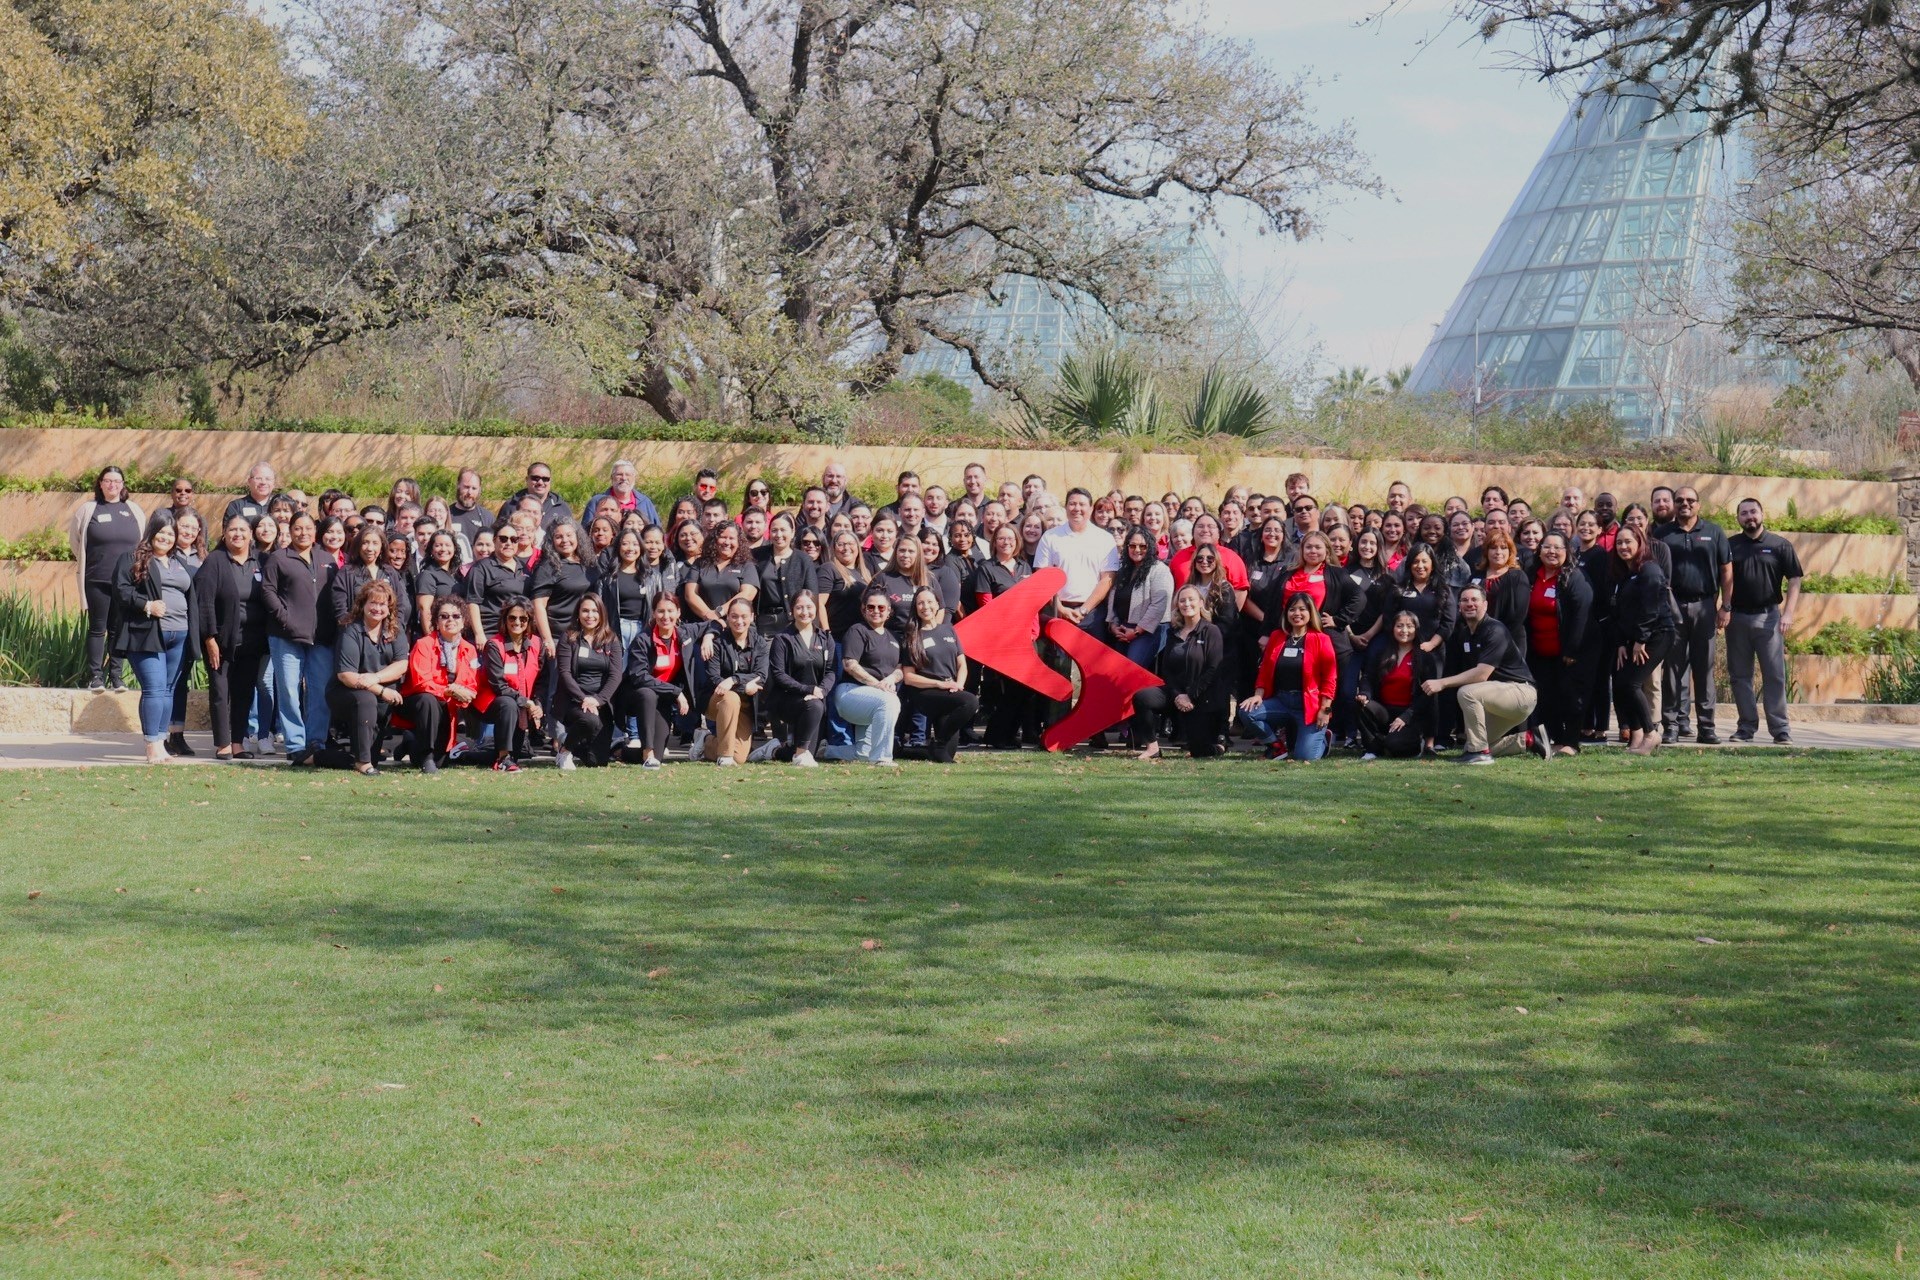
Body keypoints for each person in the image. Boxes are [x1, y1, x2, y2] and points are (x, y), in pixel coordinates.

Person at [1424, 584, 1543, 764]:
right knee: (1474, 742)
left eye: (1474, 600)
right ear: (1459, 606)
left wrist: (1442, 683)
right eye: (1464, 600)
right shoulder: (1465, 634)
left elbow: (1481, 675)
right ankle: (1528, 740)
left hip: (1520, 693)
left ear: (1485, 605)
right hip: (1496, 697)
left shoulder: (1495, 630)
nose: (1469, 604)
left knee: (1466, 692)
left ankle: (1480, 754)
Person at [1655, 485, 1734, 744]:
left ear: (1699, 505)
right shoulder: (1662, 533)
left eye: (1690, 500)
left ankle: (1707, 727)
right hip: (1672, 607)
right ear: (1675, 505)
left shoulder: (1714, 531)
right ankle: (1671, 726)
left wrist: (1726, 606)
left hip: (1705, 607)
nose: (1685, 504)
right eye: (1680, 501)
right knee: (1672, 670)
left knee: (1704, 669)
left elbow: (1726, 571)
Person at [113, 515, 194, 765]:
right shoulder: (133, 558)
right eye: (162, 533)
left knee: (168, 691)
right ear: (151, 532)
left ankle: (161, 741)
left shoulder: (178, 561)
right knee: (155, 689)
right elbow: (120, 590)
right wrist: (146, 605)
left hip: (179, 635)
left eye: (171, 534)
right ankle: (152, 744)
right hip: (147, 634)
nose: (166, 538)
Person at [260, 511, 338, 766]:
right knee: (290, 692)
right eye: (297, 528)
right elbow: (268, 591)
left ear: (315, 531)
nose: (303, 533)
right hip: (286, 636)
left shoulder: (327, 559)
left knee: (319, 691)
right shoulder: (278, 559)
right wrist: (285, 618)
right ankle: (295, 744)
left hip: (321, 638)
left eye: (307, 528)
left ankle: (316, 742)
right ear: (290, 531)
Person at [1725, 498, 1803, 745]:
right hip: (1736, 617)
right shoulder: (1730, 546)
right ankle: (1746, 727)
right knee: (1740, 676)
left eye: (1753, 512)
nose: (1750, 517)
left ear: (1762, 514)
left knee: (1775, 675)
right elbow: (1722, 578)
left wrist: (1788, 613)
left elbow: (1794, 579)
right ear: (1738, 518)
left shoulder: (1780, 545)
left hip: (1769, 617)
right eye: (1744, 513)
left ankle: (1780, 729)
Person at [194, 514, 270, 761]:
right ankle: (223, 743)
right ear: (224, 534)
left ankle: (238, 741)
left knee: (244, 692)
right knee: (220, 690)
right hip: (221, 641)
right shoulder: (215, 561)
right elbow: (203, 602)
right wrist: (209, 638)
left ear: (251, 534)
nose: (238, 534)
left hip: (252, 641)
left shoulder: (261, 561)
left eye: (242, 530)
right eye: (232, 530)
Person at [1130, 585, 1231, 760]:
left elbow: (1213, 669)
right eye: (1182, 600)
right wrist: (1177, 694)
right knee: (1143, 697)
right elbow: (1167, 670)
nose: (1186, 603)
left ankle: (1219, 747)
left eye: (1191, 599)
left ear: (1201, 603)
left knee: (1199, 751)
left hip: (1202, 698)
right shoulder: (1173, 632)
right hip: (1176, 695)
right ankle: (1152, 748)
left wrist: (1190, 696)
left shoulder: (1211, 631)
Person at [70, 466, 148, 691]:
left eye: (117, 481)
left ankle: (116, 676)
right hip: (97, 579)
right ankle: (95, 677)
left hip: (126, 582)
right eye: (108, 481)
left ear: (123, 485)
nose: (112, 485)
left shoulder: (133, 509)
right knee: (97, 628)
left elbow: (142, 541)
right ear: (100, 484)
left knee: (118, 628)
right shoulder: (88, 509)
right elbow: (76, 542)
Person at [1238, 592, 1337, 761]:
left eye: (1302, 609)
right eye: (1292, 609)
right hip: (1282, 701)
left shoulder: (1322, 639)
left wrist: (1325, 710)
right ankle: (1276, 747)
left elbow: (1330, 678)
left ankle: (1324, 738)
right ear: (1286, 613)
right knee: (1247, 712)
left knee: (1305, 757)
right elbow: (1265, 670)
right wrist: (1258, 695)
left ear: (1311, 612)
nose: (1296, 614)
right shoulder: (1277, 636)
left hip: (1309, 705)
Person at [328, 580, 410, 776]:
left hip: (379, 692)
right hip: (345, 693)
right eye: (373, 603)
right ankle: (363, 763)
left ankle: (317, 757)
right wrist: (381, 689)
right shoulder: (350, 630)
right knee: (366, 699)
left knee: (371, 757)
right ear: (362, 604)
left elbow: (401, 664)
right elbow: (346, 675)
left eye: (382, 604)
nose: (377, 608)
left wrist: (375, 678)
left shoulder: (394, 631)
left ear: (389, 608)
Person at [1608, 525, 1677, 757]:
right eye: (1619, 542)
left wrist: (1640, 640)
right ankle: (1636, 733)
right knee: (1620, 684)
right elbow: (1618, 612)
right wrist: (1620, 643)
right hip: (1631, 638)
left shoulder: (1650, 570)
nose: (1623, 546)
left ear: (1640, 543)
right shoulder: (1624, 574)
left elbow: (1651, 608)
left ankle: (1651, 733)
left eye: (1628, 541)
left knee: (1632, 683)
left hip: (1657, 635)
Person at [1525, 533, 1594, 758]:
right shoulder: (1531, 575)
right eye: (1547, 547)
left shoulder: (1575, 577)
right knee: (1546, 697)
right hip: (1540, 651)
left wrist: (1572, 649)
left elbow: (1581, 615)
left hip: (1569, 652)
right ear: (1539, 550)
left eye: (1558, 548)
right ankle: (1554, 739)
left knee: (1571, 697)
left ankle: (1571, 742)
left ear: (1567, 551)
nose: (1552, 552)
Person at [401, 596, 481, 773]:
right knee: (428, 700)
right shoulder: (423, 644)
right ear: (436, 621)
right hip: (419, 703)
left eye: (455, 616)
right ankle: (426, 756)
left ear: (463, 621)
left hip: (448, 706)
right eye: (444, 616)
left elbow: (471, 684)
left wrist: (466, 695)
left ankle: (410, 742)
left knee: (442, 761)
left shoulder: (470, 649)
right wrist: (449, 691)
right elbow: (421, 682)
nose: (450, 620)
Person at [621, 593, 700, 770]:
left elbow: (712, 625)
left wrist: (710, 636)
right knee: (647, 693)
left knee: (659, 756)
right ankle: (647, 753)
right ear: (654, 613)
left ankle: (623, 752)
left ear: (679, 613)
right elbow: (639, 676)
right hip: (637, 697)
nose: (666, 616)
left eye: (670, 611)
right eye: (661, 611)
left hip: (662, 700)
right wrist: (676, 692)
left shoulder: (684, 634)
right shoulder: (643, 639)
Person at [826, 590, 904, 766]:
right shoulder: (857, 631)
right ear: (863, 610)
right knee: (890, 702)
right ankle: (882, 758)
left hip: (876, 696)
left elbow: (900, 669)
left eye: (881, 607)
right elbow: (850, 665)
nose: (876, 611)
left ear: (889, 611)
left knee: (862, 755)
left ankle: (830, 751)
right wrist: (877, 685)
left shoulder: (895, 637)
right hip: (851, 692)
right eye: (871, 607)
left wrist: (890, 680)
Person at [900, 587, 978, 763]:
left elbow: (962, 664)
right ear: (915, 607)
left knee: (945, 757)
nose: (925, 606)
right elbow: (909, 677)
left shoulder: (949, 630)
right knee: (971, 701)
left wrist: (959, 684)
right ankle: (940, 743)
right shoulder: (912, 636)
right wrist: (939, 685)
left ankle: (913, 751)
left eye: (929, 602)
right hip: (926, 693)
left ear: (937, 605)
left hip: (950, 691)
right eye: (920, 603)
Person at [553, 593, 625, 769]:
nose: (590, 615)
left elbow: (616, 675)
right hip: (574, 701)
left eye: (594, 611)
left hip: (600, 703)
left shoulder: (611, 639)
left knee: (597, 761)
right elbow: (564, 673)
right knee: (590, 720)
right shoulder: (568, 637)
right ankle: (564, 752)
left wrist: (598, 700)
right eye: (585, 611)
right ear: (578, 613)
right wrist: (583, 698)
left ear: (602, 614)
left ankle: (567, 740)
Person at [696, 596, 769, 765]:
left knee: (740, 757)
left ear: (752, 617)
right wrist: (743, 686)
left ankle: (706, 741)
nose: (739, 621)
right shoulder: (717, 643)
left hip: (745, 704)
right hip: (717, 699)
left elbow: (761, 675)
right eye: (734, 616)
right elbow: (715, 679)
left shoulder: (760, 644)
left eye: (744, 616)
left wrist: (733, 679)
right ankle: (725, 757)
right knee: (731, 698)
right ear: (727, 617)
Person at [764, 591, 835, 766]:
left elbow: (831, 671)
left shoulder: (825, 638)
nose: (805, 612)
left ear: (816, 609)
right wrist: (809, 690)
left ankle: (773, 750)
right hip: (787, 700)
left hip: (815, 700)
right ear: (792, 611)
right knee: (814, 706)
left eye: (809, 607)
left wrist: (822, 690)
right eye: (799, 607)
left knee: (806, 749)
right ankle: (800, 755)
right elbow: (779, 674)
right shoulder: (782, 639)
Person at [1355, 610, 1435, 759]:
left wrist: (1406, 716)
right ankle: (1373, 749)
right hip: (1384, 711)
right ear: (1392, 628)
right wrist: (1365, 693)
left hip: (1410, 715)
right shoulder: (1381, 653)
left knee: (1395, 746)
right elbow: (1368, 676)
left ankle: (1416, 743)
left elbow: (1427, 696)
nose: (1404, 630)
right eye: (1399, 626)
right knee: (1362, 705)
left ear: (1416, 629)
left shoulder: (1425, 657)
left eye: (1409, 626)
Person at [477, 597, 543, 771]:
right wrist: (526, 702)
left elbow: (541, 681)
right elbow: (498, 686)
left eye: (523, 618)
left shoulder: (536, 643)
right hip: (494, 704)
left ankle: (464, 754)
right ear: (505, 619)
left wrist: (537, 704)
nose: (517, 622)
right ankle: (503, 757)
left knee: (518, 755)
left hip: (521, 706)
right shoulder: (493, 645)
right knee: (509, 702)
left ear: (529, 620)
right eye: (512, 617)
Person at [1106, 525, 1174, 669]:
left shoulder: (1160, 570)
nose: (1137, 550)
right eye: (1133, 545)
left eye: (1143, 546)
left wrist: (1137, 631)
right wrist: (1113, 624)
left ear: (1150, 547)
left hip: (1150, 631)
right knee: (1116, 671)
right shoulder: (1124, 570)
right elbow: (1114, 599)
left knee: (1131, 670)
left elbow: (1158, 605)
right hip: (1123, 628)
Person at [682, 523, 758, 627]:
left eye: (731, 538)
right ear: (715, 540)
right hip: (702, 626)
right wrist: (709, 617)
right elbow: (690, 594)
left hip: (736, 627)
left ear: (739, 542)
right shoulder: (700, 563)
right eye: (723, 537)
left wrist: (718, 613)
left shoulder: (747, 565)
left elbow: (747, 594)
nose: (727, 542)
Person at [465, 524, 529, 644]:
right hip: (490, 633)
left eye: (514, 539)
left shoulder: (524, 568)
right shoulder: (481, 568)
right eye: (503, 539)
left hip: (516, 633)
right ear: (495, 541)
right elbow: (472, 603)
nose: (509, 543)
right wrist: (479, 634)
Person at [753, 512, 815, 635]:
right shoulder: (756, 555)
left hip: (793, 622)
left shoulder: (803, 559)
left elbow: (813, 595)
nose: (778, 534)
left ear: (792, 532)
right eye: (774, 530)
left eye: (783, 530)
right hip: (764, 622)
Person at [585, 459, 662, 526]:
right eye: (619, 474)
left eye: (628, 475)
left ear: (634, 478)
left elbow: (656, 530)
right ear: (612, 478)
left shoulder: (645, 502)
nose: (624, 478)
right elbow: (585, 532)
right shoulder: (596, 502)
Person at [496, 461, 572, 528]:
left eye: (545, 479)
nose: (540, 482)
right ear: (527, 479)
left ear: (550, 481)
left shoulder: (561, 508)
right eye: (535, 478)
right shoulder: (511, 506)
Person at [447, 469, 492, 550]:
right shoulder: (446, 515)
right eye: (466, 487)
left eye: (474, 488)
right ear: (458, 485)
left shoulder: (487, 518)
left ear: (479, 490)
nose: (469, 492)